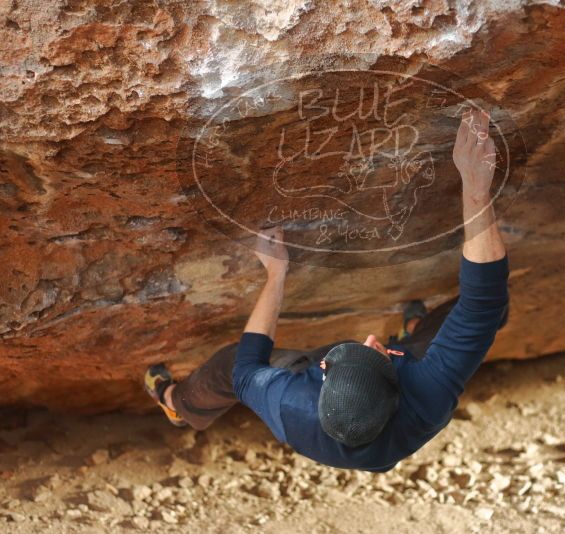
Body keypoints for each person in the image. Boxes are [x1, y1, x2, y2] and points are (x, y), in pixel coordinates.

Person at [145, 109, 509, 471]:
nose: (369, 338)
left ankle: (179, 403)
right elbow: (483, 302)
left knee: (226, 362)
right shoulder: (426, 393)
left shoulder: (290, 401)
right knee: (491, 314)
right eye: (378, 351)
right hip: (402, 380)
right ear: (399, 383)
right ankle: (415, 337)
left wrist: (276, 274)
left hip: (315, 404)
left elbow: (245, 364)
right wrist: (475, 187)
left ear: (323, 369)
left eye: (365, 350)